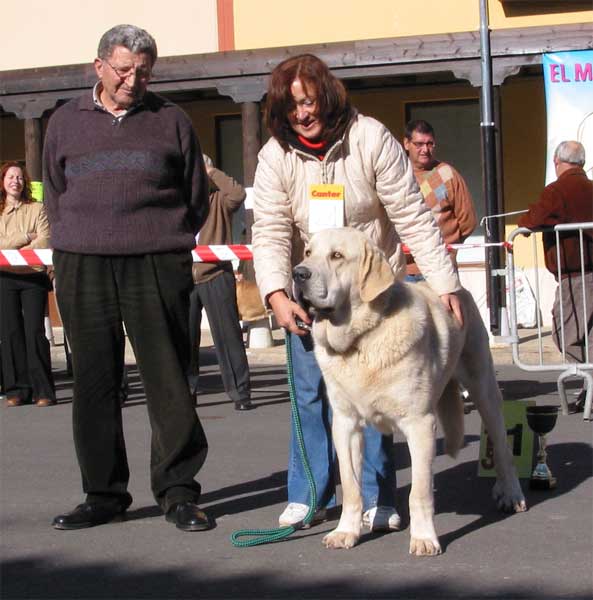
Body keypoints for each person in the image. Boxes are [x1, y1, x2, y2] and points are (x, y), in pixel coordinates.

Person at [251, 54, 463, 530]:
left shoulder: (371, 137)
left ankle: (377, 496)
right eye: (290, 106)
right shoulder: (274, 156)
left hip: (373, 291)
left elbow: (411, 213)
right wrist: (276, 294)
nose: (301, 114)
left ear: (327, 95)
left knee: (381, 391)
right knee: (311, 392)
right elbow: (268, 230)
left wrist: (445, 282)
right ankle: (307, 494)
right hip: (312, 291)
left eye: (308, 102)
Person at [43, 24, 213, 532]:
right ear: (98, 67)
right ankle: (103, 494)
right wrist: (80, 235)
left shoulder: (173, 119)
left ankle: (179, 492)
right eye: (123, 70)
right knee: (95, 381)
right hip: (83, 261)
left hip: (156, 261)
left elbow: (196, 195)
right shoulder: (63, 122)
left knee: (168, 379)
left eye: (143, 71)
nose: (133, 80)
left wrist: (162, 236)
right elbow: (54, 191)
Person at [518, 141, 592, 408]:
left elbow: (530, 221)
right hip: (585, 273)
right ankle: (589, 390)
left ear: (557, 162)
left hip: (576, 276)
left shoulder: (558, 190)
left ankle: (587, 384)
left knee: (565, 331)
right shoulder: (590, 187)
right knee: (588, 333)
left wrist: (536, 221)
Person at [189, 155, 252, 411]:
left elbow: (237, 194)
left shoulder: (219, 202)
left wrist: (211, 171)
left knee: (228, 336)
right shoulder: (179, 204)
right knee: (182, 340)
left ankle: (240, 393)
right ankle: (186, 392)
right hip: (183, 278)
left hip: (216, 275)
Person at [0, 161, 56, 407]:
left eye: (20, 177)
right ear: (3, 182)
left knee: (35, 332)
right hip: (5, 277)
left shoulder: (37, 209)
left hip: (33, 276)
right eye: (11, 177)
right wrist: (24, 238)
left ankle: (43, 390)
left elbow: (45, 240)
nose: (16, 181)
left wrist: (16, 249)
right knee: (10, 333)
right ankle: (17, 389)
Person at [403, 119, 477, 280]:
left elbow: (468, 221)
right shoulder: (395, 176)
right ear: (406, 144)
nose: (425, 150)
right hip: (402, 271)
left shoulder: (447, 174)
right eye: (419, 144)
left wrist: (447, 249)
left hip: (440, 269)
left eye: (430, 144)